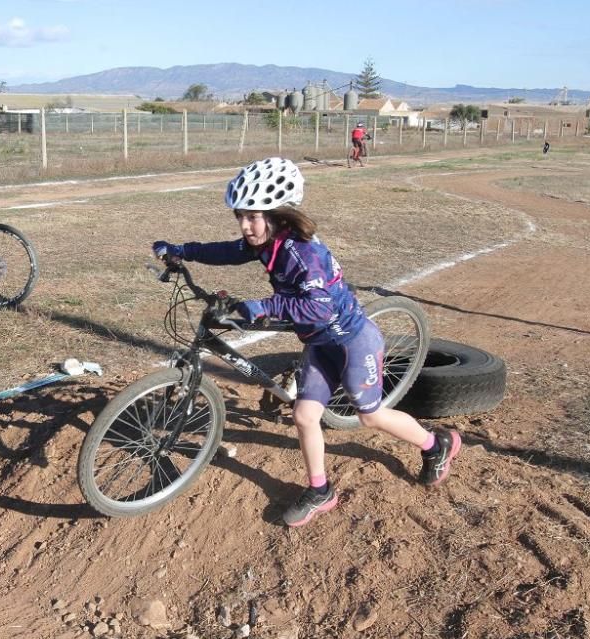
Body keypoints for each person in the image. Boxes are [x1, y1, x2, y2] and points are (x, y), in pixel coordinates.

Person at [152, 157, 462, 527]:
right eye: (240, 216)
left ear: (278, 215)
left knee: (370, 416)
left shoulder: (303, 255)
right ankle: (321, 490)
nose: (245, 226)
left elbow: (316, 307)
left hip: (351, 342)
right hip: (319, 344)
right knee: (303, 415)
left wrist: (260, 306)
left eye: (253, 217)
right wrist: (182, 251)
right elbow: (229, 251)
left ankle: (435, 445)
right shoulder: (268, 242)